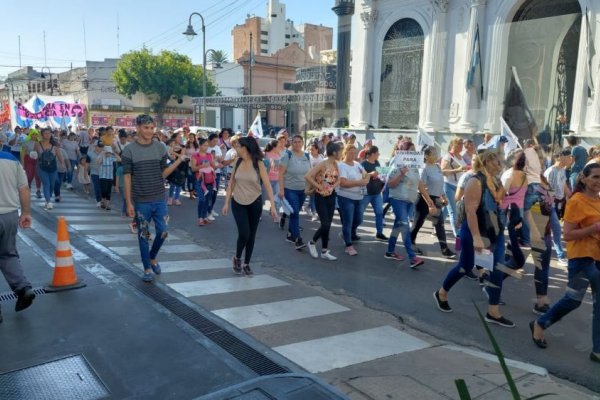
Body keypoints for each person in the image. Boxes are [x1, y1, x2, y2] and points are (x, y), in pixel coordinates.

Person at [434, 150, 516, 327]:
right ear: (486, 161)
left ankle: (493, 311)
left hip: (495, 233)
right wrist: (477, 238)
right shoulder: (474, 181)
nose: (500, 165)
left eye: (501, 162)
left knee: (498, 269)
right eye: (496, 162)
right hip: (474, 232)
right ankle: (442, 292)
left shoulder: (496, 180)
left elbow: (500, 202)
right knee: (465, 267)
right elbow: (471, 211)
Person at [531, 163, 600, 363]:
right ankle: (540, 323)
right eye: (595, 177)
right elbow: (568, 235)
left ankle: (597, 350)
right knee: (573, 300)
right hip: (582, 259)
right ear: (584, 179)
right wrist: (594, 228)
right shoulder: (576, 201)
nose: (598, 181)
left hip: (598, 258)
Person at [122, 115, 187, 283]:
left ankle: (152, 257)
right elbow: (127, 177)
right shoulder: (129, 150)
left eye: (151, 128)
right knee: (143, 236)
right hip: (141, 200)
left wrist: (178, 161)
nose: (149, 131)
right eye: (146, 128)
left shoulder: (160, 147)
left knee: (163, 232)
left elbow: (163, 173)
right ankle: (147, 268)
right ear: (137, 128)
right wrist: (129, 202)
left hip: (159, 198)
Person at [222, 137, 277, 275]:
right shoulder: (237, 161)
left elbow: (268, 185)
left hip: (255, 202)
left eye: (238, 146)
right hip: (238, 201)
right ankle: (237, 257)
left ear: (245, 148)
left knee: (251, 235)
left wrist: (273, 207)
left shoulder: (258, 163)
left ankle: (246, 263)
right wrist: (226, 203)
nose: (236, 148)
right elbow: (231, 183)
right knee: (244, 232)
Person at [0, 150, 36, 322]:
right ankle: (22, 288)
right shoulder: (11, 159)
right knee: (8, 254)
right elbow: (24, 188)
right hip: (9, 215)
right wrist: (26, 212)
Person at [385, 140, 431, 266]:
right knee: (405, 226)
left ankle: (389, 251)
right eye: (410, 150)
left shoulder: (414, 165)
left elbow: (419, 183)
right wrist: (401, 173)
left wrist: (429, 200)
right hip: (398, 200)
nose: (413, 152)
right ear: (404, 151)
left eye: (414, 150)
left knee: (398, 226)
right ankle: (413, 257)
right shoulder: (397, 163)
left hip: (410, 201)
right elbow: (390, 184)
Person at [411, 145, 455, 259]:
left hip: (436, 199)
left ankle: (445, 250)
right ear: (426, 156)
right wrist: (430, 204)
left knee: (439, 224)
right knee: (418, 223)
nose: (437, 155)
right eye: (434, 153)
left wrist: (443, 196)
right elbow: (422, 188)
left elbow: (440, 184)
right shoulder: (423, 168)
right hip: (424, 199)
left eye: (436, 153)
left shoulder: (437, 166)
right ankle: (410, 243)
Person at [305, 142, 341, 260]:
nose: (341, 153)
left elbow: (339, 179)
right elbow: (308, 176)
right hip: (320, 196)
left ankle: (324, 251)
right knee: (325, 224)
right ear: (334, 152)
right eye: (339, 151)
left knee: (328, 225)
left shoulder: (336, 164)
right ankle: (312, 242)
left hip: (331, 196)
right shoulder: (322, 163)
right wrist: (319, 187)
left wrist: (333, 186)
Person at [279, 135, 311, 250]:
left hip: (302, 190)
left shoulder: (307, 155)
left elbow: (309, 174)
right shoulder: (288, 155)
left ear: (303, 143)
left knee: (294, 213)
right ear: (292, 143)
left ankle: (290, 235)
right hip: (290, 189)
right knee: (295, 212)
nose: (297, 144)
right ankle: (298, 239)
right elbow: (281, 173)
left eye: (299, 142)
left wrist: (310, 188)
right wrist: (281, 189)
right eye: (295, 142)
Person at [337, 144, 371, 256]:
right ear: (345, 153)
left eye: (354, 153)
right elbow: (343, 183)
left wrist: (366, 178)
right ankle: (349, 245)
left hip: (359, 197)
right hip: (346, 197)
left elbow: (366, 175)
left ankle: (345, 234)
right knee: (348, 221)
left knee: (359, 219)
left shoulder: (357, 164)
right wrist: (359, 182)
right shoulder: (342, 166)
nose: (353, 155)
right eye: (350, 152)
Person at [544, 149, 573, 265]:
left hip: (558, 203)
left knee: (548, 230)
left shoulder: (562, 170)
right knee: (556, 229)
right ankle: (561, 256)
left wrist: (571, 197)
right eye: (568, 157)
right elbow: (546, 190)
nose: (570, 159)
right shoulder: (550, 171)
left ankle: (543, 249)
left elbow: (564, 184)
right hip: (550, 204)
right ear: (561, 157)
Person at [441, 137, 469, 237]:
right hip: (448, 185)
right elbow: (443, 171)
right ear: (454, 145)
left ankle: (438, 226)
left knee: (446, 209)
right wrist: (458, 170)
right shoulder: (448, 156)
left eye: (462, 144)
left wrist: (466, 170)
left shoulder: (460, 157)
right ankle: (458, 235)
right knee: (454, 211)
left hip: (459, 187)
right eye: (460, 144)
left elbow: (462, 169)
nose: (462, 146)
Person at [360, 146, 387, 241]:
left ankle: (379, 233)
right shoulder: (363, 164)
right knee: (359, 214)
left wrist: (381, 174)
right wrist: (371, 174)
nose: (379, 155)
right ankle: (352, 232)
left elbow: (381, 173)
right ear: (372, 154)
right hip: (366, 194)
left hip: (376, 193)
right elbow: (361, 176)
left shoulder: (377, 162)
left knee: (379, 213)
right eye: (377, 153)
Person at [34, 128, 64, 210]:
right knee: (46, 184)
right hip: (42, 167)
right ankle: (48, 201)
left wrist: (62, 163)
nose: (47, 135)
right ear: (42, 135)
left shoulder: (55, 145)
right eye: (45, 133)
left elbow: (59, 155)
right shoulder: (37, 144)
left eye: (49, 133)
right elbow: (34, 154)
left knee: (52, 185)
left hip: (53, 167)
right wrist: (32, 155)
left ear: (51, 134)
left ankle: (48, 198)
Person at [190, 138, 216, 226]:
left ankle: (204, 217)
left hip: (209, 180)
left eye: (207, 145)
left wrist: (218, 164)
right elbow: (193, 169)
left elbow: (213, 165)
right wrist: (202, 166)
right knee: (202, 199)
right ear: (200, 145)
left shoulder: (209, 155)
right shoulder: (195, 155)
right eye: (204, 145)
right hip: (199, 180)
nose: (206, 147)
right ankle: (200, 218)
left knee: (207, 200)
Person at [97, 145, 120, 211]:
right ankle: (103, 201)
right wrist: (102, 153)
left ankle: (107, 205)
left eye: (109, 152)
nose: (108, 154)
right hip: (103, 176)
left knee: (108, 191)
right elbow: (98, 162)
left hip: (110, 177)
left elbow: (119, 159)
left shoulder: (112, 157)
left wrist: (114, 153)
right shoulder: (102, 157)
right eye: (107, 152)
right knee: (104, 190)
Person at [21, 129, 42, 199]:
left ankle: (38, 191)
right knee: (30, 175)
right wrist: (23, 163)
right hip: (28, 159)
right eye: (33, 134)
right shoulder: (26, 142)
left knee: (38, 175)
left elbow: (41, 153)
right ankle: (28, 184)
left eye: (36, 134)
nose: (34, 136)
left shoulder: (40, 143)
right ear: (31, 135)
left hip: (37, 160)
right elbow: (23, 153)